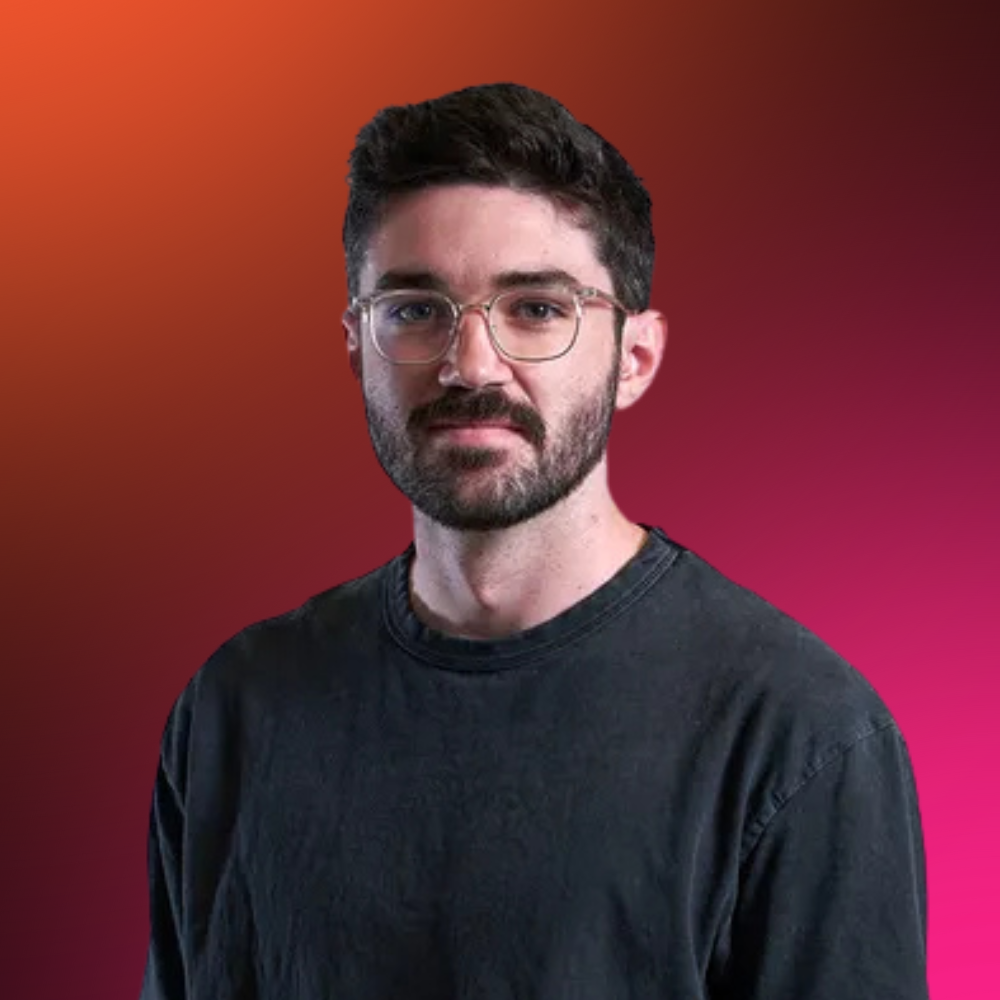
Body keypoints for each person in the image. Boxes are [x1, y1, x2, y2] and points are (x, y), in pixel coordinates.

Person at [139, 83, 928, 999]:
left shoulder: (800, 735)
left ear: (634, 358)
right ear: (356, 345)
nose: (471, 365)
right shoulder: (235, 710)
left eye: (537, 309)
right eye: (416, 309)